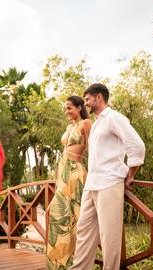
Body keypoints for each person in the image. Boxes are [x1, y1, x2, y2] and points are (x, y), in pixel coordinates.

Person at [70, 83, 146, 270]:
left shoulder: (114, 118)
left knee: (109, 237)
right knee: (84, 233)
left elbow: (137, 146)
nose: (86, 103)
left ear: (99, 97)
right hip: (91, 185)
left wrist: (131, 173)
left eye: (88, 99)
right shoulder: (96, 125)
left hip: (109, 183)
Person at [46, 96, 92, 270]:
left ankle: (77, 263)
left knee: (76, 216)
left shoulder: (86, 123)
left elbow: (92, 149)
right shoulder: (69, 126)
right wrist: (58, 179)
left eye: (69, 108)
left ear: (79, 107)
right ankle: (60, 264)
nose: (66, 111)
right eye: (65, 108)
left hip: (75, 172)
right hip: (63, 173)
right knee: (58, 216)